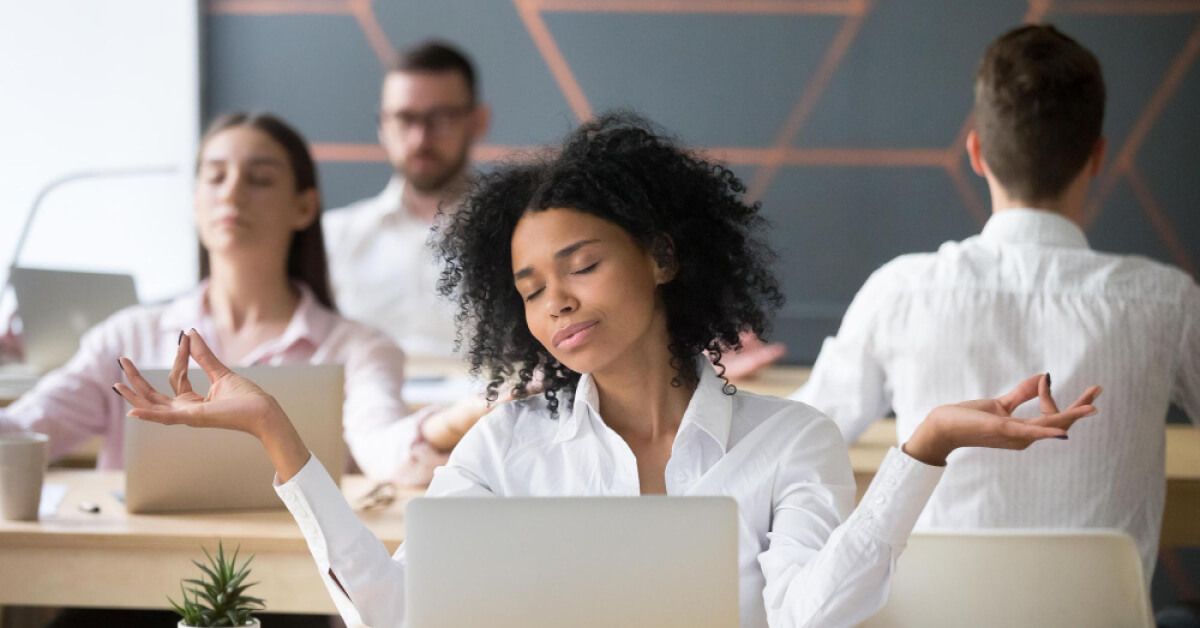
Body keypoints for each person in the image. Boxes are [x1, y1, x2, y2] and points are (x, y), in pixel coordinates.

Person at [116, 113, 1099, 628]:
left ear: (663, 257)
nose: (558, 305)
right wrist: (276, 438)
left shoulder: (786, 441)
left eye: (582, 266)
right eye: (532, 287)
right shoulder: (508, 447)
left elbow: (810, 616)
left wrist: (920, 449)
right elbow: (397, 611)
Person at [792, 24, 1199, 584]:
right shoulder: (1169, 303)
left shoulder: (900, 292)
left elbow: (798, 438)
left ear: (976, 153)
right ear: (1098, 156)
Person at [0, 112, 479, 484]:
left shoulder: (357, 350)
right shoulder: (129, 336)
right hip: (136, 588)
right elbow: (28, 427)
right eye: (215, 176)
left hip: (289, 589)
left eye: (260, 179)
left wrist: (457, 419)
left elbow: (383, 451)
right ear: (195, 200)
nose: (232, 192)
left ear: (304, 206)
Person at [323, 39, 489, 359]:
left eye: (440, 118)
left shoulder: (518, 232)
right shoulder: (334, 237)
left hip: (486, 407)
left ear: (477, 121)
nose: (420, 138)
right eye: (404, 118)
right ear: (381, 126)